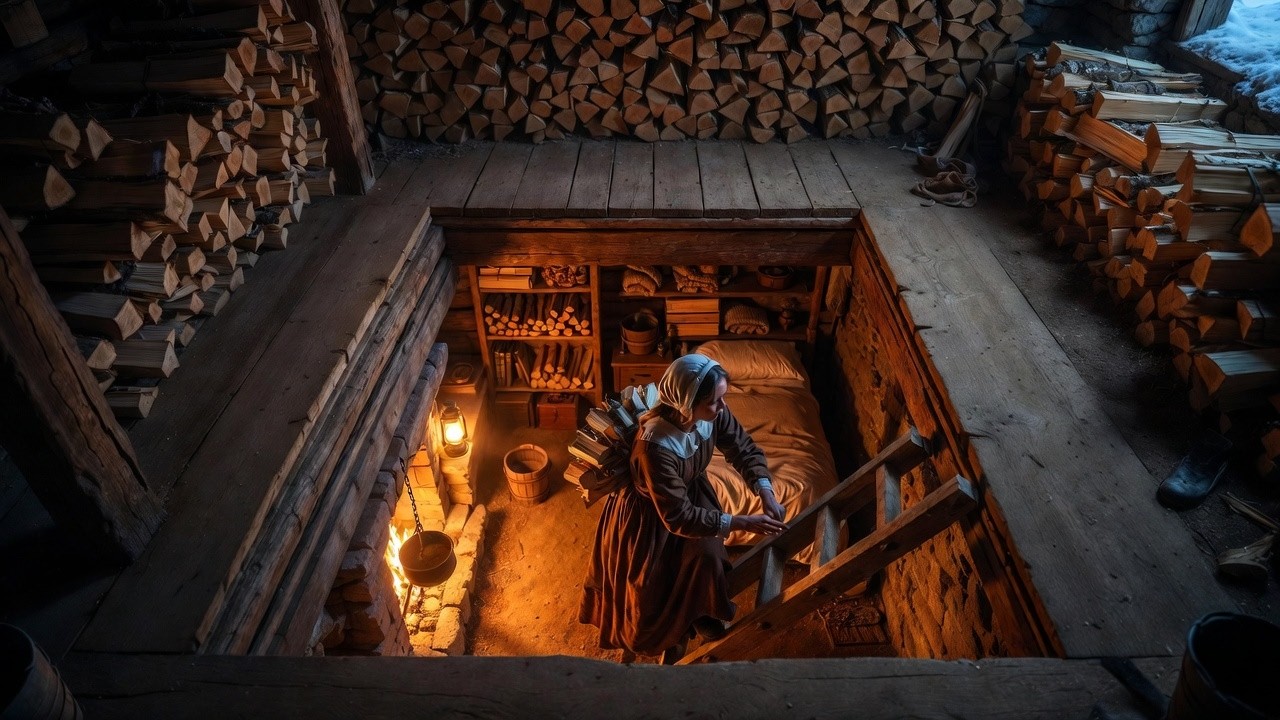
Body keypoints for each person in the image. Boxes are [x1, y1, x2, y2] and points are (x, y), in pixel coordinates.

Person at [579, 353, 788, 663]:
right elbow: (678, 516)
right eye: (714, 402)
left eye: (722, 397)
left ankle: (701, 611)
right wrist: (742, 522)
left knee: (707, 556)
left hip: (689, 494)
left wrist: (765, 492)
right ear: (687, 405)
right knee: (649, 589)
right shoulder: (654, 447)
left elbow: (742, 447)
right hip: (650, 516)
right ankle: (660, 634)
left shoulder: (712, 414)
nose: (722, 407)